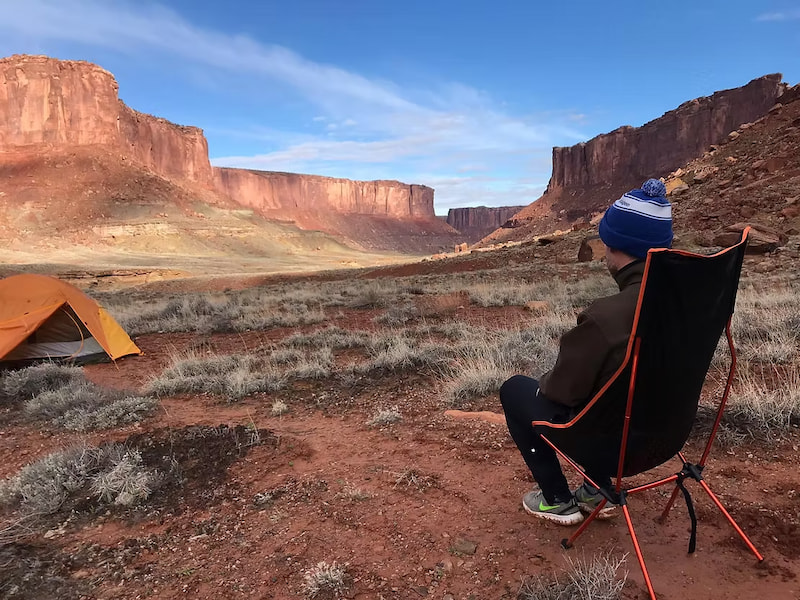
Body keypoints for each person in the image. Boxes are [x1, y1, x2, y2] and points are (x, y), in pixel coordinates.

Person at [500, 178, 674, 526]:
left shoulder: (607, 317)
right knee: (612, 389)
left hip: (615, 446)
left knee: (515, 389)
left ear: (617, 246)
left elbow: (561, 391)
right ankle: (595, 490)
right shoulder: (690, 302)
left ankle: (556, 499)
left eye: (606, 242)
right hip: (667, 434)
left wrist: (546, 380)